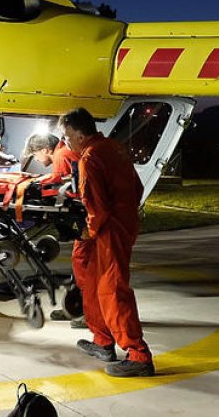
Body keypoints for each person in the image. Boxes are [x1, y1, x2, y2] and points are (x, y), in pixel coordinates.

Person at [58, 107, 153, 378]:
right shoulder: (114, 148)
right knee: (92, 282)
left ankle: (138, 355)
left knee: (111, 289)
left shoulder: (90, 157)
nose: (65, 142)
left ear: (78, 133)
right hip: (121, 224)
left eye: (66, 136)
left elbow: (95, 206)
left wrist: (89, 230)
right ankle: (102, 341)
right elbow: (137, 187)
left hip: (109, 229)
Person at [25, 134, 89, 329]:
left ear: (45, 150)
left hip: (86, 221)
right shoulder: (66, 153)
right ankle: (77, 308)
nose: (35, 160)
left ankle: (89, 313)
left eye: (35, 155)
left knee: (86, 266)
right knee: (81, 264)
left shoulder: (61, 157)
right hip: (87, 219)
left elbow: (62, 192)